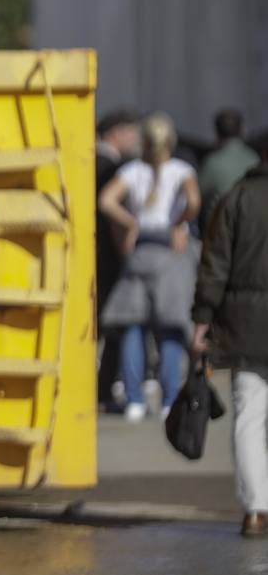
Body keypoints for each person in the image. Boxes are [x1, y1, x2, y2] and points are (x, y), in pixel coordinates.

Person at [98, 112, 201, 422]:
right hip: (170, 252)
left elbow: (107, 201)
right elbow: (194, 203)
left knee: (133, 324)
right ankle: (169, 398)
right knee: (170, 327)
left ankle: (134, 399)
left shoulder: (131, 171)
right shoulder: (182, 170)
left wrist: (130, 224)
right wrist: (180, 223)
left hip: (140, 248)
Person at [191, 142, 268, 538]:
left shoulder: (236, 198)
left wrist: (202, 320)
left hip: (245, 324)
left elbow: (214, 264)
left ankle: (256, 510)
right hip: (247, 320)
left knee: (250, 417)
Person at [95, 110, 142, 410]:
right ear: (116, 133)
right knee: (113, 325)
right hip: (106, 258)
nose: (135, 139)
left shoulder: (89, 161)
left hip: (90, 255)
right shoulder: (112, 168)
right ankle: (103, 389)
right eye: (131, 132)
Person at [196, 108, 258, 238]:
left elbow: (196, 198)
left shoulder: (212, 163)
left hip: (221, 234)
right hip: (253, 232)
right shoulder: (255, 159)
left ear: (217, 133)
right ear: (242, 130)